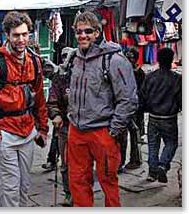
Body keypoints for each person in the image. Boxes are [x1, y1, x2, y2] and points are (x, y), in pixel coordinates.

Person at [0, 11, 49, 207]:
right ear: (7, 35)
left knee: (24, 185)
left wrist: (42, 128)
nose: (21, 39)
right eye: (16, 35)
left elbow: (40, 97)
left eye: (24, 34)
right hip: (5, 132)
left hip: (27, 130)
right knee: (9, 186)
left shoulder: (34, 60)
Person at [67, 11, 138, 207]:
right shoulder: (74, 57)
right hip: (76, 131)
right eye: (78, 31)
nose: (82, 35)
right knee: (77, 181)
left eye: (87, 31)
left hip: (102, 132)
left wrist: (113, 131)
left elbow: (129, 99)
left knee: (108, 182)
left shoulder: (114, 60)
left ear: (97, 32)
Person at [139, 47, 182, 183]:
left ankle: (152, 173)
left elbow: (142, 96)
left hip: (153, 117)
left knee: (153, 145)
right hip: (169, 118)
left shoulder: (150, 77)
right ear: (171, 61)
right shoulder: (176, 79)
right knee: (171, 143)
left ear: (158, 60)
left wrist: (144, 108)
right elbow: (180, 99)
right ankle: (163, 165)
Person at [45, 47, 76, 206]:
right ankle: (69, 193)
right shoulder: (60, 78)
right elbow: (52, 101)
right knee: (65, 164)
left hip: (85, 127)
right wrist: (55, 114)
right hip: (65, 126)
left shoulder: (86, 76)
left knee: (82, 165)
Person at [119, 46, 146, 172]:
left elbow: (141, 92)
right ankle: (121, 161)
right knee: (123, 135)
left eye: (131, 57)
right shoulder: (123, 70)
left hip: (135, 107)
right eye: (127, 57)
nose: (129, 60)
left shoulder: (139, 73)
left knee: (134, 133)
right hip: (124, 106)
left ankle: (135, 160)